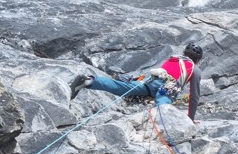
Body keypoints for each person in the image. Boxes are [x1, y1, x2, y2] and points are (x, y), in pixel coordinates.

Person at [70, 44, 204, 121]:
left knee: (122, 87)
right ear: (197, 59)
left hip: (150, 82)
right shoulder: (194, 69)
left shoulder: (172, 59)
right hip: (167, 88)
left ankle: (89, 81)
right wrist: (190, 119)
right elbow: (194, 96)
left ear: (184, 53)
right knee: (163, 106)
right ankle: (162, 125)